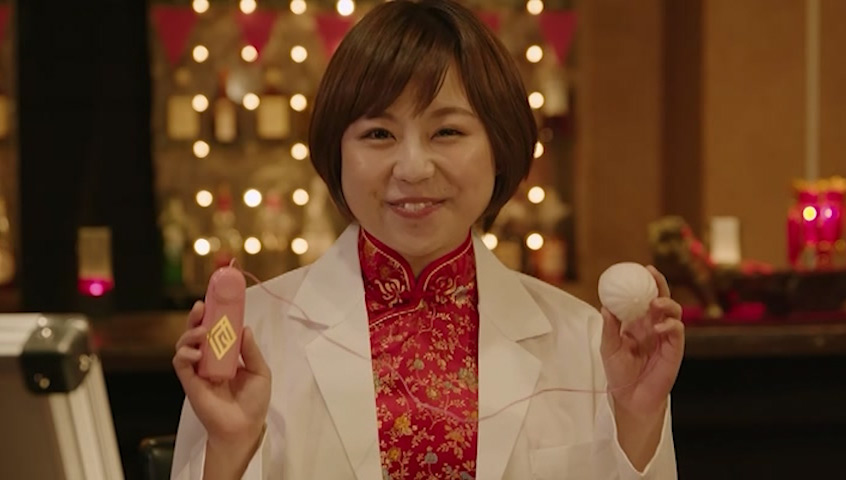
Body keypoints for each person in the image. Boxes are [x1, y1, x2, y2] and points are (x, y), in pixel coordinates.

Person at [170, 1, 684, 478]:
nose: (413, 168)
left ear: (499, 148)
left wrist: (637, 421)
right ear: (337, 153)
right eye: (379, 134)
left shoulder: (584, 339)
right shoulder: (249, 339)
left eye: (447, 132)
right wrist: (230, 449)